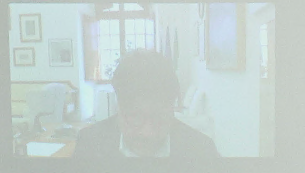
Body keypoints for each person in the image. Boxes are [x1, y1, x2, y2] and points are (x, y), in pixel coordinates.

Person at [73, 49, 220, 161]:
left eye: (159, 117)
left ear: (172, 109)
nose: (148, 132)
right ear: (118, 108)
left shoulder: (202, 151)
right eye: (135, 117)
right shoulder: (89, 144)